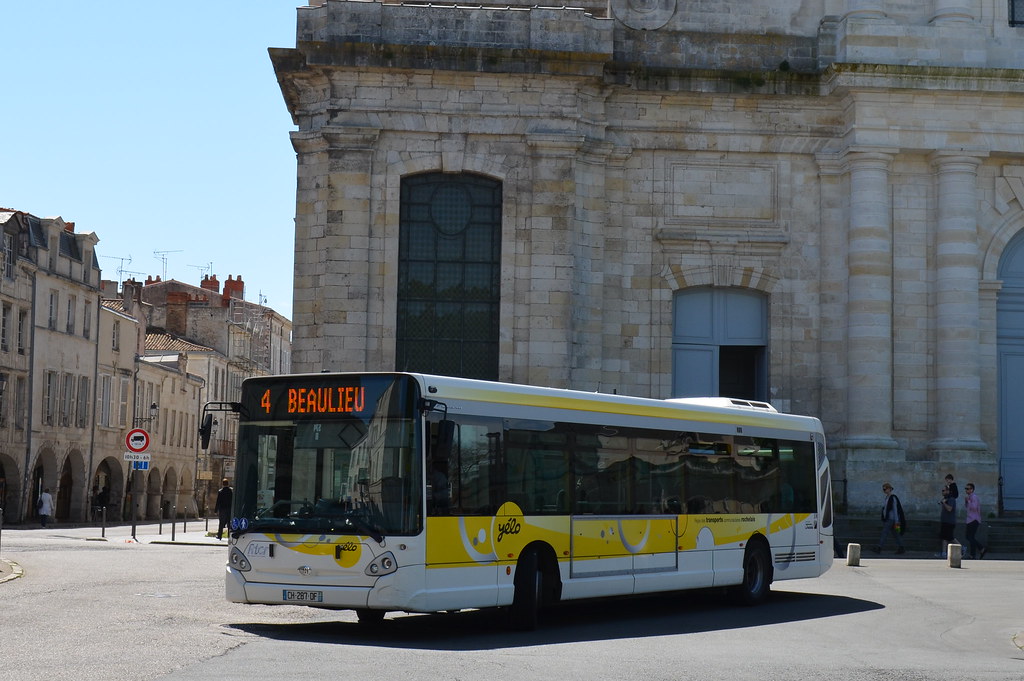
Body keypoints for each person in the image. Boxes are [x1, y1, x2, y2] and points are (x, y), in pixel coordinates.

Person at [872, 483, 906, 555]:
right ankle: (901, 547)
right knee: (896, 534)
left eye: (885, 489)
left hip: (892, 519)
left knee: (885, 532)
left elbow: (895, 509)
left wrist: (897, 521)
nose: (884, 490)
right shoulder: (887, 498)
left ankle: (879, 547)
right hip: (889, 519)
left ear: (889, 489)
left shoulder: (893, 498)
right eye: (883, 489)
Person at [963, 482, 988, 559]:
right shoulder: (970, 497)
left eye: (968, 489)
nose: (966, 490)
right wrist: (966, 501)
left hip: (974, 519)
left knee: (970, 537)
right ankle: (978, 551)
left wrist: (969, 501)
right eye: (966, 489)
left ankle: (977, 551)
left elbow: (974, 507)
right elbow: (967, 507)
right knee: (970, 537)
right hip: (970, 519)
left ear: (972, 490)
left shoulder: (974, 497)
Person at [937, 475, 957, 558]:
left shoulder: (951, 499)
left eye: (943, 490)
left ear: (948, 491)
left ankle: (961, 548)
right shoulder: (946, 498)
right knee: (944, 538)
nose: (942, 492)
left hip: (949, 521)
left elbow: (949, 509)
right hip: (945, 521)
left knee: (950, 538)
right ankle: (944, 553)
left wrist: (944, 503)